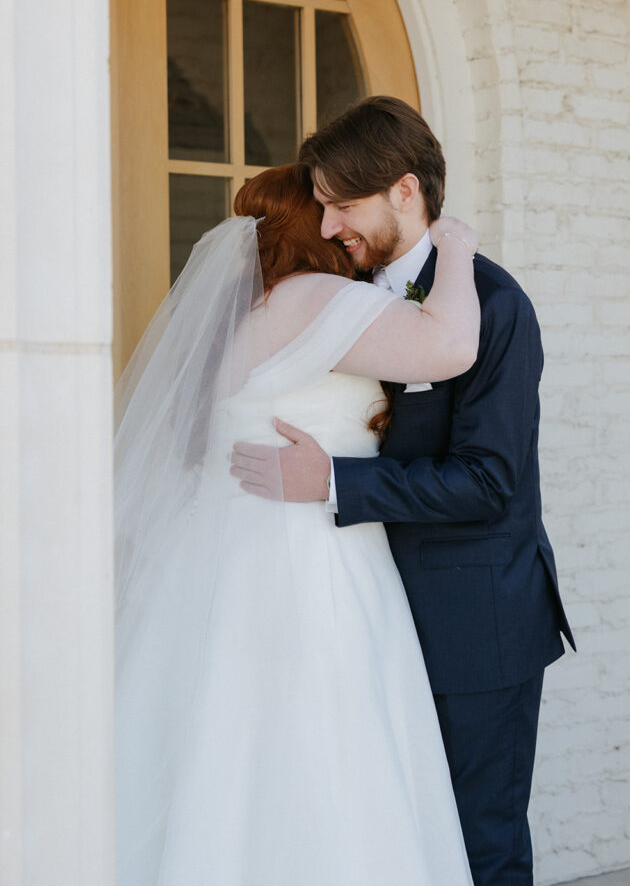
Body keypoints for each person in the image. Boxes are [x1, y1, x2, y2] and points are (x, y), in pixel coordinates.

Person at [232, 97, 576, 886]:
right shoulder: (337, 294)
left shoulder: (491, 305)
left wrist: (332, 482)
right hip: (363, 619)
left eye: (341, 206)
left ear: (404, 191)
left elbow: (489, 482)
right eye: (318, 209)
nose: (326, 228)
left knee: (475, 843)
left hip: (471, 622)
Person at [114, 163, 481, 885]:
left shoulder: (235, 318)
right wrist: (458, 250)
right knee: (322, 751)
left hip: (218, 554)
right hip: (311, 557)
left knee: (219, 749)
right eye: (327, 212)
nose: (337, 226)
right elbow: (448, 348)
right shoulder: (314, 297)